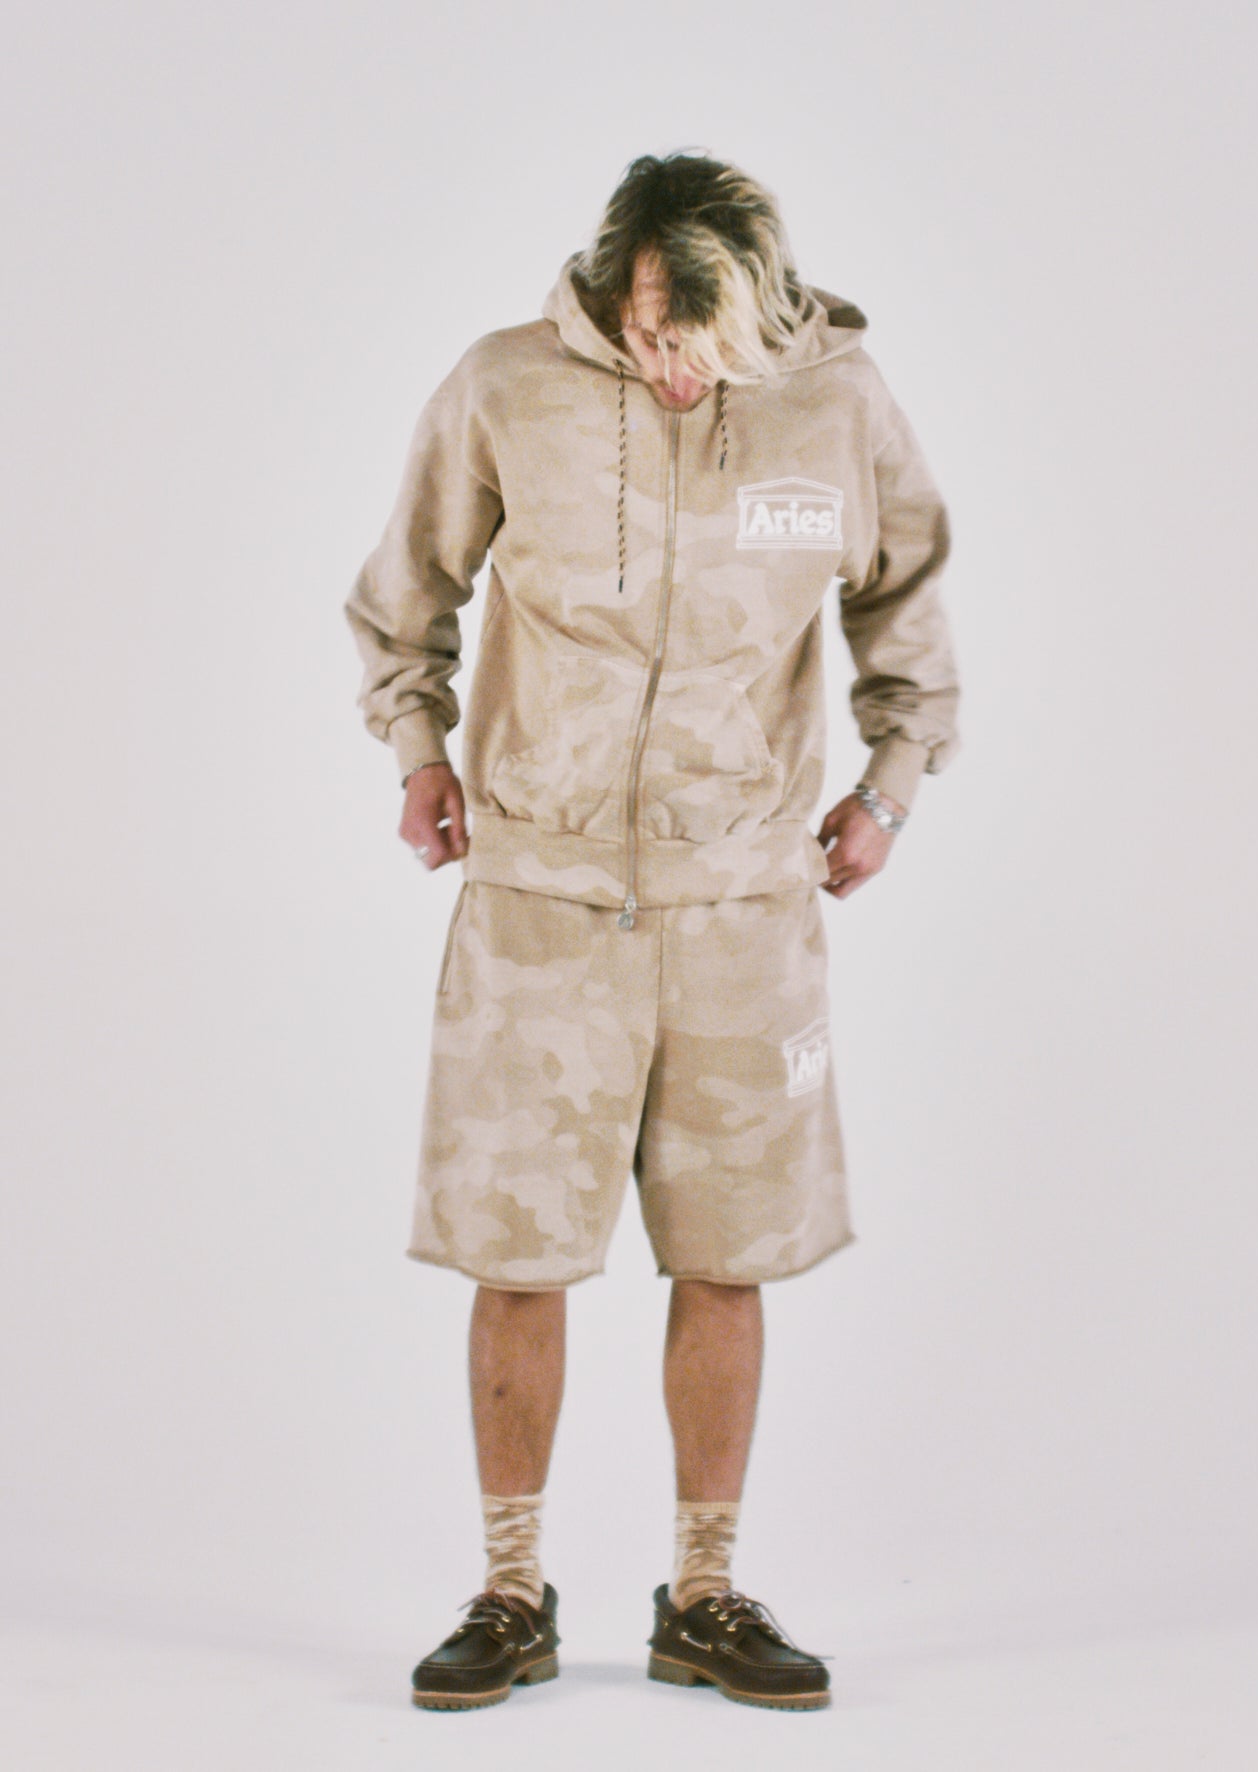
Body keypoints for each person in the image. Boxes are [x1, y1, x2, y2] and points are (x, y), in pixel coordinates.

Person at [344, 148, 961, 1713]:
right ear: (608, 292)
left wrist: (889, 787)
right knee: (516, 1256)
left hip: (743, 905)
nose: (676, 370)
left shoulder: (839, 401)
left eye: (706, 344)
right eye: (648, 335)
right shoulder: (505, 387)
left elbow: (907, 601)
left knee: (728, 1255)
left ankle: (704, 1593)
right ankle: (507, 1591)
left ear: (765, 309)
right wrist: (418, 751)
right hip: (538, 905)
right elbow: (404, 591)